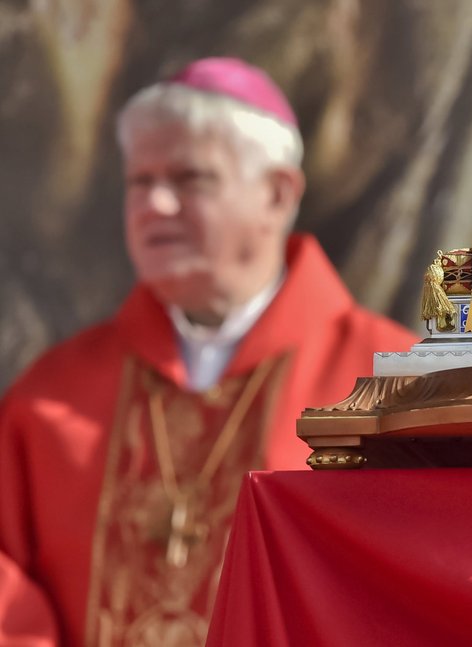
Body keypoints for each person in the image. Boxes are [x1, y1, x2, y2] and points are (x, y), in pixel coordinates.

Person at [0, 57, 418, 645]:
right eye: (140, 182)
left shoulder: (396, 385)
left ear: (277, 193)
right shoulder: (53, 396)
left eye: (189, 179)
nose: (155, 205)